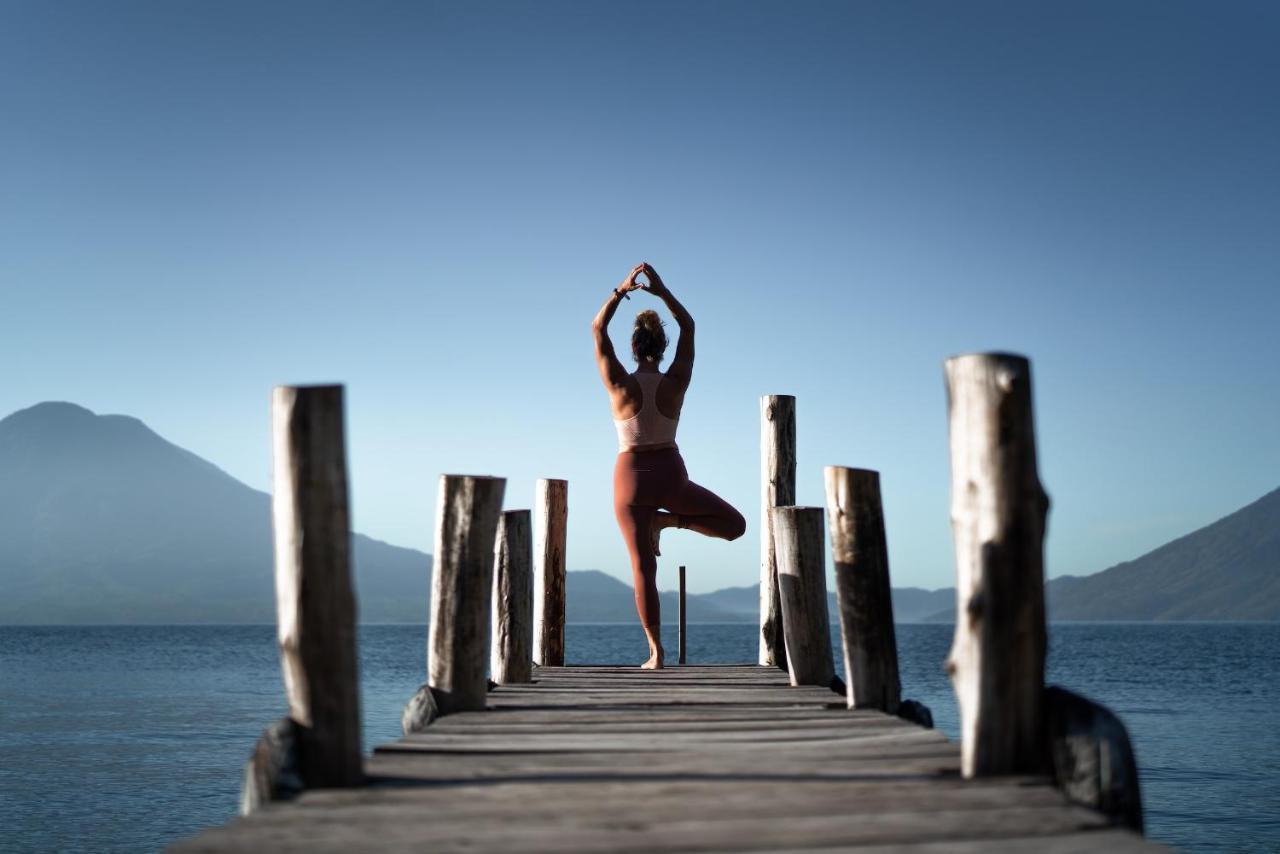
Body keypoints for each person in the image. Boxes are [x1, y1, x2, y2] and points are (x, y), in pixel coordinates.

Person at [592, 262, 746, 669]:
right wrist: (661, 291)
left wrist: (622, 290)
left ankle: (656, 655)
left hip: (629, 481)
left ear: (634, 347)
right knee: (736, 526)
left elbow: (596, 329)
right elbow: (689, 326)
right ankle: (669, 522)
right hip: (671, 477)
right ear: (661, 346)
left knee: (643, 568)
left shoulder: (619, 383)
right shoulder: (676, 380)